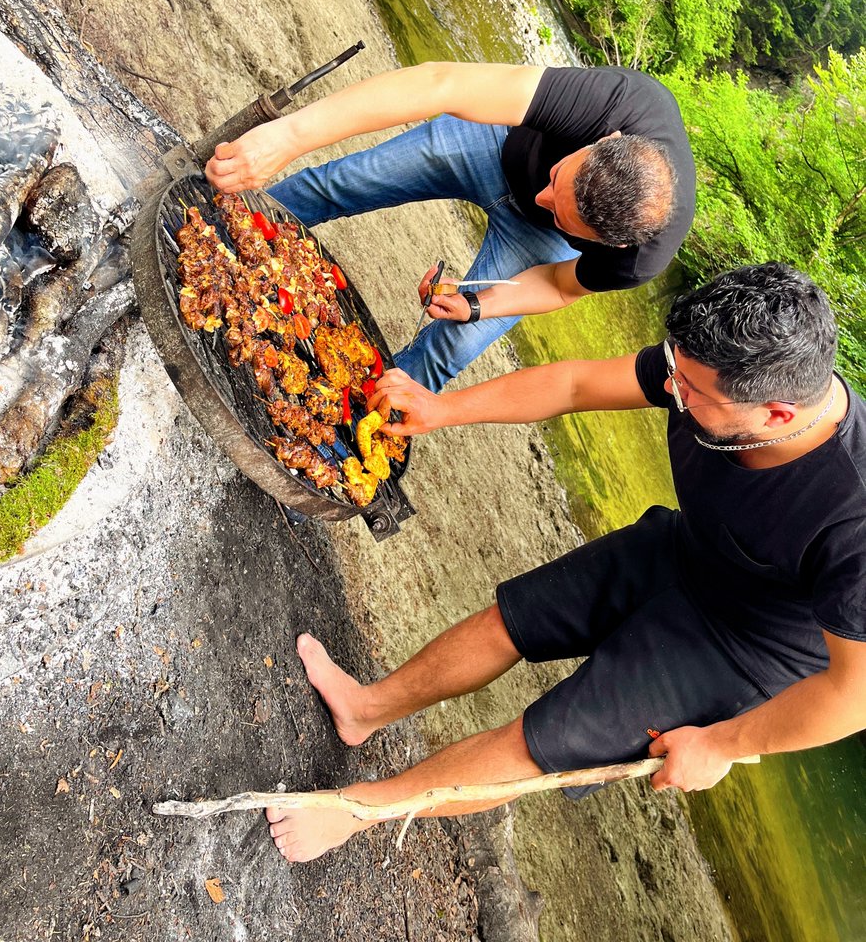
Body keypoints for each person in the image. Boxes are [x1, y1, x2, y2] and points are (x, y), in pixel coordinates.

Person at [265, 263, 866, 863]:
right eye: (673, 369)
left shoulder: (852, 517)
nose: (671, 389)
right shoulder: (710, 366)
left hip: (747, 644)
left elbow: (852, 695)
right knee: (515, 619)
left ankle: (353, 810)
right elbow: (576, 385)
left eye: (689, 392)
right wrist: (440, 410)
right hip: (694, 548)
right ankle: (364, 709)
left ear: (777, 415)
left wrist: (723, 742)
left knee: (540, 741)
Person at [205, 62, 695, 391]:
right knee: (347, 182)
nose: (542, 198)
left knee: (451, 348)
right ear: (603, 139)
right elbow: (444, 83)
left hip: (534, 243)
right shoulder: (616, 102)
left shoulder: (637, 259)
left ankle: (340, 431)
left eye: (560, 213)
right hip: (493, 145)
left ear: (609, 242)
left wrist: (476, 305)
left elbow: (560, 286)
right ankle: (219, 234)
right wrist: (288, 136)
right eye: (555, 180)